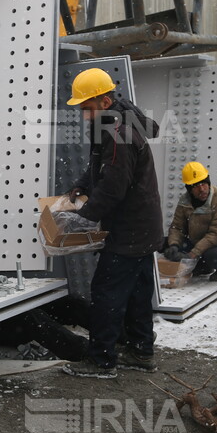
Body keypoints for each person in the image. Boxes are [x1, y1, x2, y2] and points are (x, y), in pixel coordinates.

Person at [60, 68, 163, 379]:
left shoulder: (118, 133)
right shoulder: (116, 123)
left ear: (104, 101)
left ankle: (101, 360)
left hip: (129, 230)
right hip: (143, 228)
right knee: (137, 293)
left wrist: (82, 218)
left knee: (107, 292)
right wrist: (82, 184)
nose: (83, 115)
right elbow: (101, 169)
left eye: (86, 108)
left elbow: (114, 187)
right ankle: (141, 351)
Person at [163, 161, 217, 281]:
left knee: (212, 255)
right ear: (189, 189)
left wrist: (191, 255)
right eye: (195, 186)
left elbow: (216, 235)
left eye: (204, 184)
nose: (201, 189)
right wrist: (174, 245)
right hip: (199, 242)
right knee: (164, 244)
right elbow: (177, 227)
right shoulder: (185, 202)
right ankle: (204, 266)